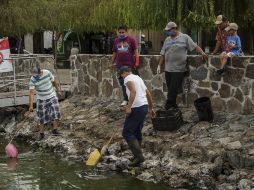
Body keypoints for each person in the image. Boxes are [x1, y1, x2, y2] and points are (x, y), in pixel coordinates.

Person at [157, 21, 208, 110]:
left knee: (173, 89)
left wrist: (203, 53)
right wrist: (159, 65)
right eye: (167, 31)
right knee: (171, 90)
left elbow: (195, 46)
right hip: (168, 69)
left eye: (169, 30)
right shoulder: (167, 39)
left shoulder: (185, 37)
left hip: (178, 69)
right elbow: (163, 53)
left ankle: (168, 106)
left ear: (174, 29)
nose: (167, 32)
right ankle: (174, 107)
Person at [119, 66, 155, 167]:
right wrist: (151, 108)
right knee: (136, 131)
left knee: (127, 132)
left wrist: (128, 107)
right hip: (143, 106)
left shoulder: (128, 78)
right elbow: (147, 93)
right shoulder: (138, 78)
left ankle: (139, 158)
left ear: (124, 73)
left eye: (121, 76)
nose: (122, 79)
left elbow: (133, 92)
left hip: (137, 107)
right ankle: (137, 156)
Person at [28, 64, 62, 140]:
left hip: (51, 95)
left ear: (40, 72)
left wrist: (58, 90)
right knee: (41, 116)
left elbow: (54, 82)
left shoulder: (47, 73)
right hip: (41, 98)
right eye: (34, 75)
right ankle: (41, 133)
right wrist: (30, 105)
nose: (35, 77)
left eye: (36, 75)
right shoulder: (32, 79)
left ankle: (55, 130)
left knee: (56, 112)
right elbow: (31, 93)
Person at [112, 25, 140, 106]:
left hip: (129, 66)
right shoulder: (116, 40)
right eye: (120, 32)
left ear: (126, 32)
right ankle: (125, 99)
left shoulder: (131, 40)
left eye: (123, 32)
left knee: (132, 83)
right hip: (119, 66)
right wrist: (112, 62)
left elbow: (136, 51)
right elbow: (114, 52)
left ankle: (135, 98)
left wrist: (137, 62)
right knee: (122, 83)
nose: (121, 34)